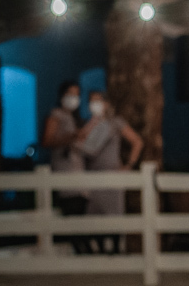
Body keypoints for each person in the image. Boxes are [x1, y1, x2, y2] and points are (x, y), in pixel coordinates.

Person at [77, 92, 143, 253]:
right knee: (95, 218)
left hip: (112, 177)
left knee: (114, 217)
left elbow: (137, 141)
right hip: (93, 177)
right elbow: (79, 144)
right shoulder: (89, 125)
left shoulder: (115, 123)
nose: (95, 104)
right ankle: (99, 252)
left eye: (98, 101)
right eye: (91, 101)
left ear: (106, 103)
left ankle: (115, 250)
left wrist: (129, 165)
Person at [41, 81, 90, 253]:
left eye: (77, 94)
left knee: (82, 213)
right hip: (64, 172)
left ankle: (85, 252)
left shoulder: (74, 118)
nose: (73, 98)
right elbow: (47, 141)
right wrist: (70, 137)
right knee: (72, 213)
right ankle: (82, 252)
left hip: (79, 171)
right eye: (70, 93)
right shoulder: (56, 115)